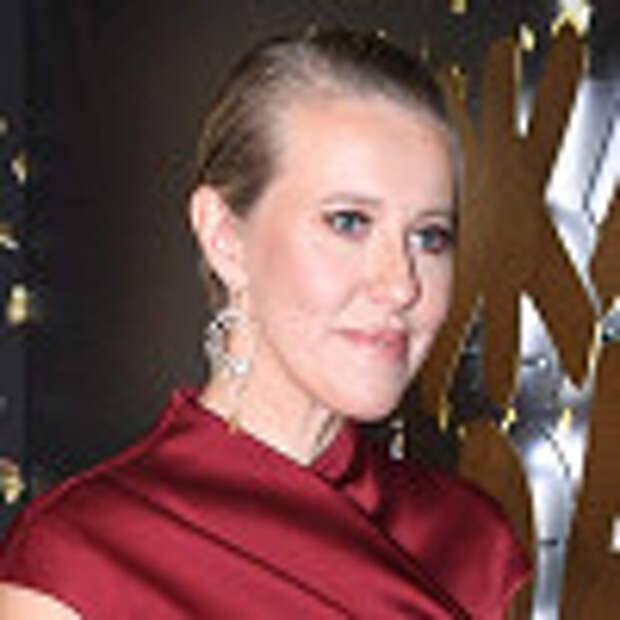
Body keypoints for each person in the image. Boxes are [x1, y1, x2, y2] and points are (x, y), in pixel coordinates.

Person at [0, 29, 530, 618]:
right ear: (225, 237)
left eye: (429, 237)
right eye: (349, 222)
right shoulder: (81, 560)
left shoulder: (469, 539)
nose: (402, 285)